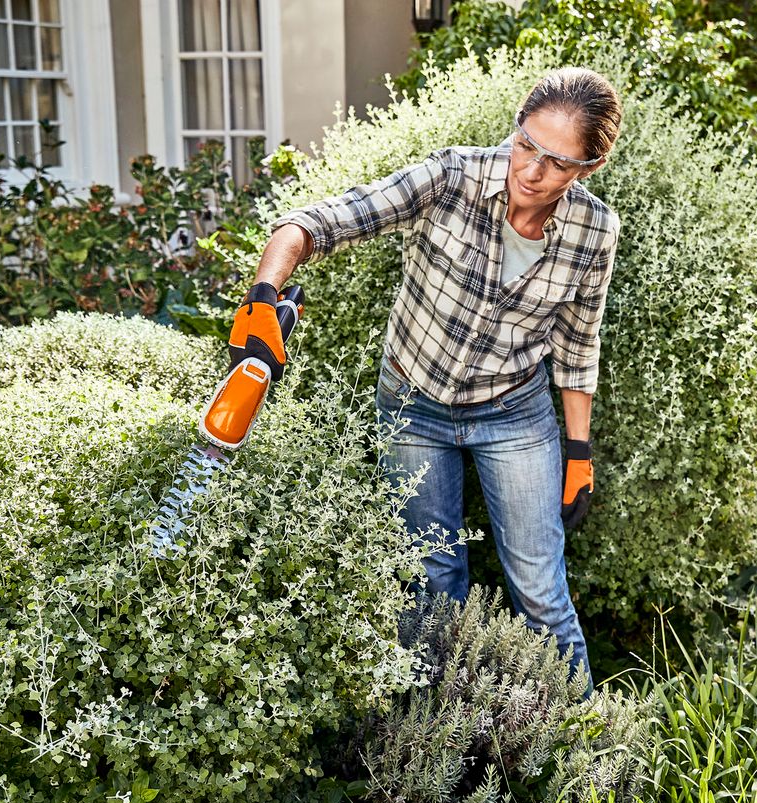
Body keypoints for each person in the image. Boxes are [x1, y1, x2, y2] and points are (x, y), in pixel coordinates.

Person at [250, 67, 622, 689]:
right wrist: (264, 296)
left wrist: (578, 453)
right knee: (430, 585)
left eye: (556, 162)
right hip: (411, 407)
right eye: (526, 144)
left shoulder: (594, 231)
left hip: (513, 415)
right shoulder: (452, 177)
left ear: (586, 169)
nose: (530, 170)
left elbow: (578, 344)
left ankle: (583, 756)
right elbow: (317, 222)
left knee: (540, 592)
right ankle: (434, 746)